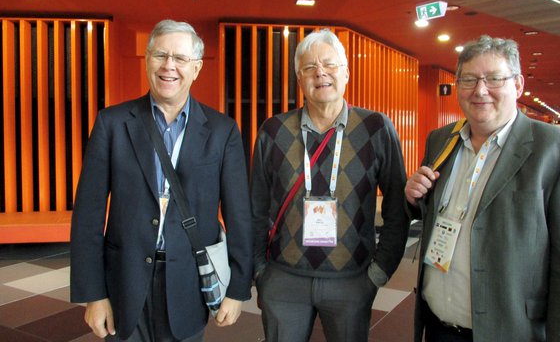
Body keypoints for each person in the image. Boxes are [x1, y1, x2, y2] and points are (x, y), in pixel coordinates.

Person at [405, 35, 560, 341]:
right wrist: (415, 199)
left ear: (518, 84)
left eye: (494, 78)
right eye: (468, 79)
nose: (480, 90)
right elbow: (435, 212)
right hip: (438, 326)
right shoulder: (441, 141)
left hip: (509, 331)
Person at [70, 19, 253, 341]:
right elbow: (88, 215)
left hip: (188, 281)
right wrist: (93, 295)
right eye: (160, 55)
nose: (169, 66)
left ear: (196, 68)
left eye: (180, 59)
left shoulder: (223, 131)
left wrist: (238, 290)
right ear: (147, 60)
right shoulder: (112, 123)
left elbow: (239, 216)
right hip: (123, 280)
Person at [251, 29, 410, 342]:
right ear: (299, 77)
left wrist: (377, 274)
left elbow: (397, 208)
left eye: (329, 64)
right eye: (309, 67)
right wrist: (259, 271)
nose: (320, 73)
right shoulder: (274, 130)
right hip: (284, 278)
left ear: (346, 72)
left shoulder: (375, 128)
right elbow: (255, 208)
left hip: (352, 280)